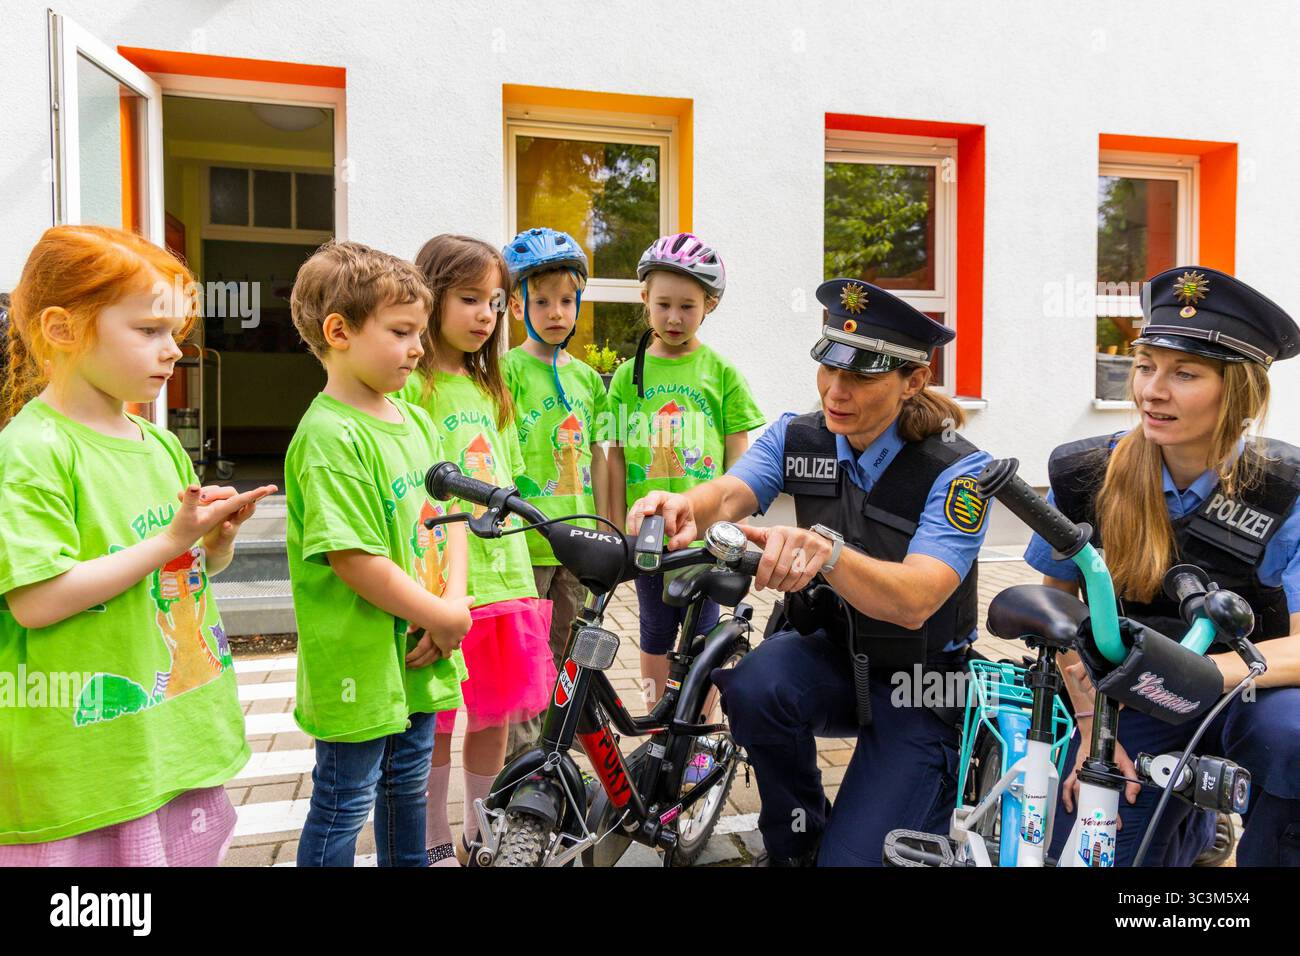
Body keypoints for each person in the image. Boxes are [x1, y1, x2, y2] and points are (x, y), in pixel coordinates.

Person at [628, 278, 992, 865]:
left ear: (914, 381)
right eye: (828, 368)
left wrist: (829, 552)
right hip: (832, 652)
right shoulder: (798, 435)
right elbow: (728, 495)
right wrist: (681, 506)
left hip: (921, 681)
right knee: (753, 683)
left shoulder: (961, 472)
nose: (836, 391)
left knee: (855, 860)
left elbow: (917, 599)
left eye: (863, 375)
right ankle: (795, 839)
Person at [0, 225, 275, 864]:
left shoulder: (156, 442)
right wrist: (171, 539)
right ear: (64, 329)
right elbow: (37, 601)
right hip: (85, 769)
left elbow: (174, 569)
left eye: (174, 335)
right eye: (149, 331)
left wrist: (212, 546)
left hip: (169, 746)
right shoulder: (33, 451)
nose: (172, 352)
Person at [1028, 266, 1300, 867]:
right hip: (1131, 699)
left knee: (1293, 742)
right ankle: (1195, 828)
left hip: (1253, 693)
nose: (1152, 390)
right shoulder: (1082, 476)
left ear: (1240, 391)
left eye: (1184, 374)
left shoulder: (1286, 489)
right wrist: (1093, 728)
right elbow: (1061, 619)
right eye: (1146, 365)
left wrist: (1196, 672)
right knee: (1090, 852)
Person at [285, 240, 474, 867]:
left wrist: (452, 605)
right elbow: (353, 559)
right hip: (359, 665)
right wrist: (443, 617)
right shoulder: (329, 435)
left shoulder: (413, 421)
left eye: (420, 331)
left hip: (420, 650)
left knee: (407, 789)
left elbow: (452, 519)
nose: (419, 347)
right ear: (339, 331)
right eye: (401, 332)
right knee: (344, 803)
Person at [400, 234, 557, 865]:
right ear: (430, 296)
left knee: (491, 719)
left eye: (495, 301)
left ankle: (479, 829)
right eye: (469, 298)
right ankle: (433, 833)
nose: (486, 314)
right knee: (437, 720)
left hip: (504, 577)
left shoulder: (493, 390)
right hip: (440, 581)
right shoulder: (409, 389)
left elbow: (507, 482)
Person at [605, 233, 765, 707]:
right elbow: (612, 454)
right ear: (644, 299)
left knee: (704, 634)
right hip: (652, 534)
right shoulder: (625, 375)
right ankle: (658, 719)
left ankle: (699, 728)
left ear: (709, 305)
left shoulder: (720, 372)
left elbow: (740, 452)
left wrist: (733, 524)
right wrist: (616, 527)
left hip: (709, 535)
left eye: (688, 307)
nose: (674, 318)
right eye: (664, 304)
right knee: (654, 632)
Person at [498, 228, 609, 757]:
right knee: (525, 652)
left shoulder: (589, 379)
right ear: (519, 306)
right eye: (541, 301)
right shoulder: (506, 372)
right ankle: (522, 757)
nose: (555, 312)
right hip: (525, 536)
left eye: (566, 300)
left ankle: (564, 743)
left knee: (570, 645)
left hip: (578, 536)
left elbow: (600, 458)